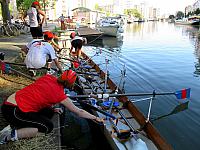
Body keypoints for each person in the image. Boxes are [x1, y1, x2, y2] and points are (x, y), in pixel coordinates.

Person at [0, 70, 104, 144]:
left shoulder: (48, 77)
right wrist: (95, 117)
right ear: (70, 85)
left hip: (11, 102)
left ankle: (21, 124)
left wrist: (53, 108)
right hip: (14, 111)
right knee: (47, 127)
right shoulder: (59, 95)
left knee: (50, 112)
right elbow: (78, 112)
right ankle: (7, 136)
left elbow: (41, 94)